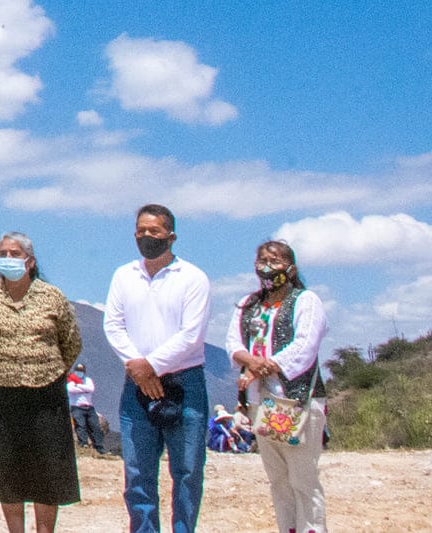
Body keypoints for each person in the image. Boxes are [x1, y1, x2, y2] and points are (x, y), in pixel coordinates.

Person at [0, 232, 83, 533]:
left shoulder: (52, 297)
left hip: (47, 395)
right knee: (8, 469)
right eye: (3, 253)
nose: (8, 258)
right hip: (2, 396)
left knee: (47, 469)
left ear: (30, 261)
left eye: (15, 253)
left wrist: (48, 369)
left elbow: (71, 343)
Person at [104, 204, 211, 533]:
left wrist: (152, 365)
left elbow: (191, 334)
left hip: (184, 382)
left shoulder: (193, 278)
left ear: (171, 236)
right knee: (137, 471)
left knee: (187, 470)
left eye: (154, 231)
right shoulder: (124, 275)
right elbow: (113, 325)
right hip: (136, 384)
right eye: (141, 231)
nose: (147, 237)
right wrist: (138, 367)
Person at [226, 240, 327, 533]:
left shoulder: (305, 301)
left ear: (291, 268)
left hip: (295, 400)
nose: (267, 267)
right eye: (262, 260)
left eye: (275, 261)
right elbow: (233, 342)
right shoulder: (249, 305)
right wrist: (250, 362)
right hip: (262, 402)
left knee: (302, 477)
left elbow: (304, 346)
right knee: (279, 477)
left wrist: (261, 367)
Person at [67, 363, 105, 454]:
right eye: (78, 370)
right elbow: (71, 390)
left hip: (89, 407)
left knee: (95, 426)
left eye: (81, 370)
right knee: (81, 426)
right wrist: (85, 389)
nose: (79, 372)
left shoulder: (88, 380)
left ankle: (99, 447)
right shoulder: (70, 380)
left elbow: (91, 389)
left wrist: (79, 386)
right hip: (77, 407)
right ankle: (83, 445)